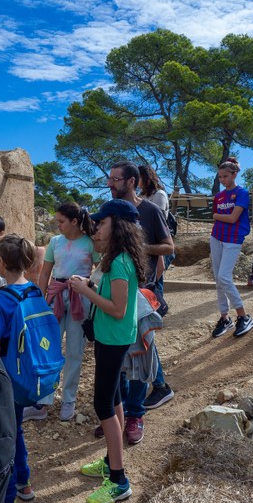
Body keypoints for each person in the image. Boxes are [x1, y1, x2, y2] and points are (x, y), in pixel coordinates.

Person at [68, 199, 148, 503]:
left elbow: (117, 309)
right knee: (114, 399)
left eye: (102, 222)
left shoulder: (118, 262)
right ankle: (110, 461)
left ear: (118, 224)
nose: (97, 227)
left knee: (103, 403)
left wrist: (84, 291)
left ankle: (118, 481)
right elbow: (114, 298)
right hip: (109, 337)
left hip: (113, 338)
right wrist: (89, 284)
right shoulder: (117, 258)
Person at [107, 161, 174, 442]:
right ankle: (116, 416)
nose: (110, 184)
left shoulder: (150, 210)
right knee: (116, 357)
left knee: (137, 356)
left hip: (142, 293)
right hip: (113, 291)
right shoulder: (110, 212)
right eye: (109, 179)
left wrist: (139, 248)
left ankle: (135, 415)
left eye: (115, 179)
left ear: (132, 181)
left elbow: (169, 247)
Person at [23, 203, 99, 422]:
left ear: (74, 221)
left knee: (75, 350)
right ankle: (43, 401)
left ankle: (69, 400)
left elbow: (98, 271)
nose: (58, 225)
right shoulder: (55, 242)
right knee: (48, 348)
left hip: (79, 298)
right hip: (55, 298)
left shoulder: (90, 243)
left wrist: (87, 285)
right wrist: (39, 302)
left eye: (61, 221)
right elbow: (45, 273)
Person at [0, 234, 41, 503]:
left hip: (7, 376)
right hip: (29, 374)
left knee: (5, 435)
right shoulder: (34, 290)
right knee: (16, 429)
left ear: (2, 262)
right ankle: (25, 483)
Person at [209, 158, 253, 338]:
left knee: (224, 276)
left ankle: (243, 316)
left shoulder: (242, 193)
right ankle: (224, 317)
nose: (222, 180)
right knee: (218, 279)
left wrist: (216, 215)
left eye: (225, 176)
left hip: (233, 239)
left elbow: (233, 218)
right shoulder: (219, 196)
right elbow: (223, 217)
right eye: (220, 177)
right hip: (216, 237)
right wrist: (220, 215)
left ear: (234, 174)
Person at [138, 165, 174, 294]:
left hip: (159, 240)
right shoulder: (140, 195)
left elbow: (159, 220)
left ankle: (158, 307)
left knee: (156, 278)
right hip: (145, 240)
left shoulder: (159, 195)